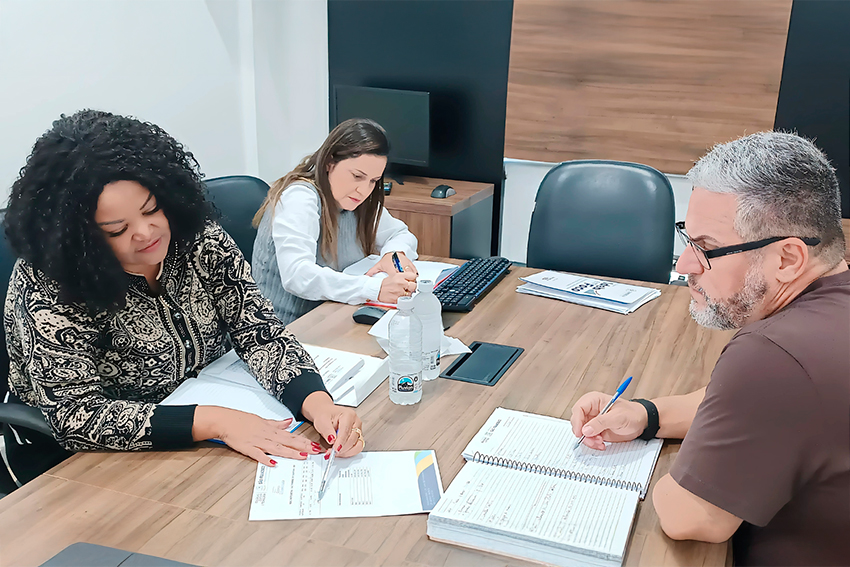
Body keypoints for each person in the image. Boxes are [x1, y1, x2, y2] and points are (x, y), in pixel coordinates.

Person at [2, 110, 364, 486]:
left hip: (199, 433)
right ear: (79, 239)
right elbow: (76, 414)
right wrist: (214, 421)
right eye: (117, 229)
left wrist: (319, 405)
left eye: (151, 209)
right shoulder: (52, 284)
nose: (146, 233)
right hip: (81, 465)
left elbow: (258, 331)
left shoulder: (196, 239)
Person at [570, 132, 849, 566]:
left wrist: (675, 477)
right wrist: (646, 415)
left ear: (788, 259)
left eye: (709, 249)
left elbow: (691, 518)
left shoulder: (774, 355)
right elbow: (757, 409)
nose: (683, 266)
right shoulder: (834, 306)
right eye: (688, 239)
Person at [251, 118, 419, 325]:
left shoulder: (357, 200)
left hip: (333, 316)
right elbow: (297, 276)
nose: (364, 190)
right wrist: (374, 289)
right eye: (357, 176)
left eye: (373, 181)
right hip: (285, 330)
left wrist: (394, 254)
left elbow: (400, 234)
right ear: (330, 163)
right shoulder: (299, 198)